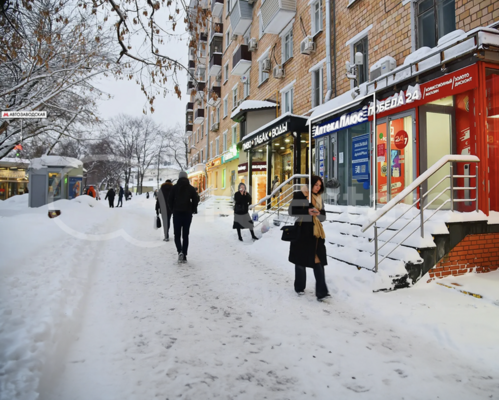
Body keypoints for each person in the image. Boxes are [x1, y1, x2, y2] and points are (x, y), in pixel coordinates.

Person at [288, 175, 330, 302]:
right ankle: (299, 287)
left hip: (316, 234)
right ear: (310, 184)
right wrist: (307, 212)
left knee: (318, 261)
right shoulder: (300, 194)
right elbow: (292, 211)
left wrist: (318, 214)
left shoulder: (319, 198)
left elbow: (323, 217)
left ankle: (321, 291)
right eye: (316, 185)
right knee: (300, 262)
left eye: (319, 186)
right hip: (303, 232)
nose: (318, 188)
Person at [167, 171, 199, 263]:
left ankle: (179, 251)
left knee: (177, 235)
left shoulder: (174, 188)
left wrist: (173, 209)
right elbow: (195, 200)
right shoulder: (191, 188)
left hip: (177, 213)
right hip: (187, 214)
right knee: (185, 235)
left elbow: (170, 200)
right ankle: (184, 254)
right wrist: (192, 209)